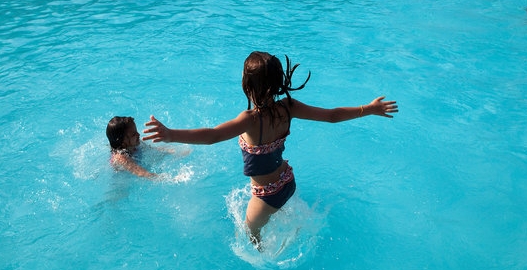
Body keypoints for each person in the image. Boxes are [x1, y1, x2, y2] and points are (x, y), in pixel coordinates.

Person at [143, 51, 398, 244]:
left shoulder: (250, 120)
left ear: (247, 86)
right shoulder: (288, 107)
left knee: (249, 237)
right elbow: (331, 115)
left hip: (266, 195)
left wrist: (171, 134)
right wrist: (369, 109)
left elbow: (212, 136)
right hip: (288, 180)